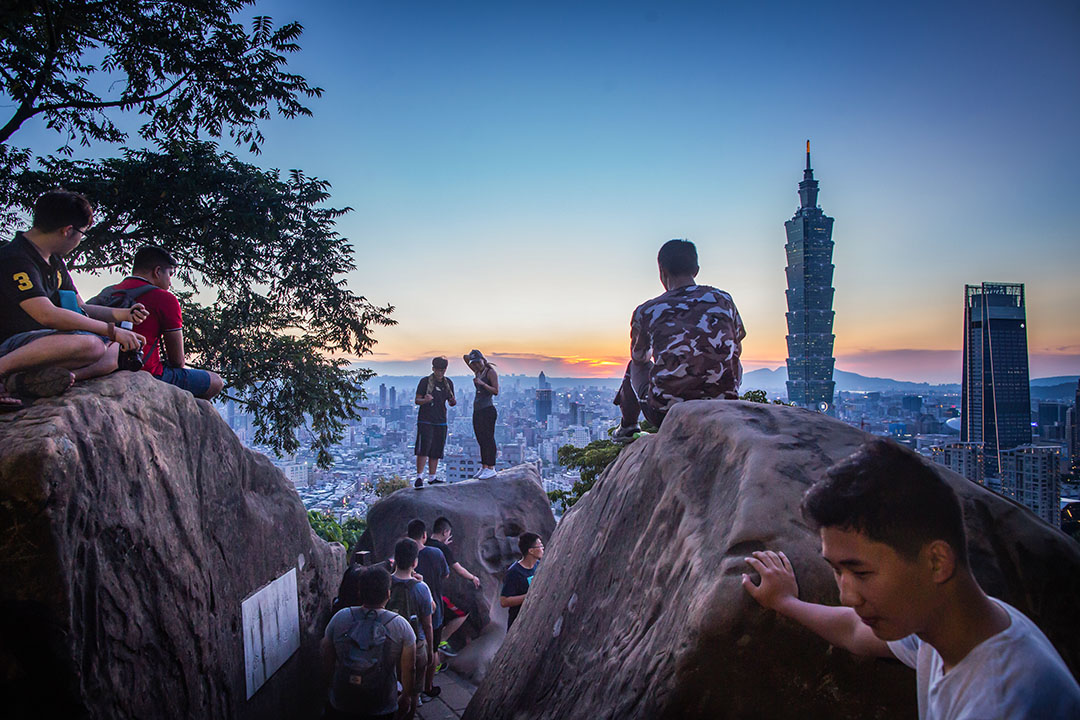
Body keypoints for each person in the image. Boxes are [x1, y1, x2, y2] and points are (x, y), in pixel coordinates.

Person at [742, 439, 1080, 720]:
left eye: (860, 572)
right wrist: (785, 602)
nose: (847, 595)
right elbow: (855, 631)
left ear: (936, 561)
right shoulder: (953, 626)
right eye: (837, 570)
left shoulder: (1003, 703)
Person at [0, 190, 146, 410]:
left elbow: (81, 307)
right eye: (82, 233)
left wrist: (124, 316)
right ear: (68, 231)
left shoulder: (54, 260)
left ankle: (31, 381)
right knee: (93, 346)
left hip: (43, 344)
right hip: (12, 344)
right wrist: (111, 330)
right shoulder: (16, 259)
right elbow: (47, 315)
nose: (80, 239)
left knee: (116, 350)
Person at [613, 238, 745, 442]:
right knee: (733, 357)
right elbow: (737, 344)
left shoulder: (647, 311)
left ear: (661, 271)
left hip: (667, 413)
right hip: (724, 406)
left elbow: (640, 357)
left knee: (634, 366)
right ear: (696, 270)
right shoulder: (723, 300)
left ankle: (628, 428)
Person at [104, 245, 223, 399]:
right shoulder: (165, 299)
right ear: (157, 271)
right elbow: (177, 361)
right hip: (147, 373)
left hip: (106, 366)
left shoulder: (108, 293)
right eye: (170, 274)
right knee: (215, 381)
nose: (170, 282)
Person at [320, 566, 414, 720]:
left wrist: (328, 688)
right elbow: (410, 668)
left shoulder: (340, 618)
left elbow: (326, 659)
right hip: (382, 703)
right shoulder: (400, 625)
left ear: (359, 592)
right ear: (388, 594)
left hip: (343, 700)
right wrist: (406, 695)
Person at [389, 538, 437, 716]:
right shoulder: (421, 588)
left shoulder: (385, 583)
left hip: (389, 645)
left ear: (395, 558)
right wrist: (430, 651)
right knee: (414, 691)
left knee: (390, 685)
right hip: (416, 646)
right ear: (415, 562)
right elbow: (428, 623)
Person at [427, 516, 482, 655]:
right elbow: (458, 569)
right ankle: (442, 641)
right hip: (436, 595)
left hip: (421, 592)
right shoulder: (442, 549)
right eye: (449, 534)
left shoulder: (424, 542)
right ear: (445, 532)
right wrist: (473, 577)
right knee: (463, 611)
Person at [413, 356, 455, 488]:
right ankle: (419, 477)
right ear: (433, 369)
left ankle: (432, 477)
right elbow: (417, 400)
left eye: (442, 370)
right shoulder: (425, 382)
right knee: (423, 448)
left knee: (436, 449)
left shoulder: (448, 383)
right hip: (425, 419)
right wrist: (425, 400)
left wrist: (453, 401)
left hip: (441, 419)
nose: (440, 373)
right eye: (438, 370)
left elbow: (451, 401)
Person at [463, 349, 498, 478]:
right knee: (481, 439)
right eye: (474, 363)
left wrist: (482, 383)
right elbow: (465, 357)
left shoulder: (490, 372)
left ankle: (491, 466)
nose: (476, 365)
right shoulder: (477, 371)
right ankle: (484, 467)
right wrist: (473, 357)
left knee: (488, 439)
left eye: (478, 362)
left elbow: (496, 390)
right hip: (477, 410)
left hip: (487, 410)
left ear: (483, 360)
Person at [500, 532, 543, 632]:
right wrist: (529, 596)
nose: (543, 548)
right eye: (540, 545)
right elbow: (504, 601)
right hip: (518, 624)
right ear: (531, 551)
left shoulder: (538, 565)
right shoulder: (514, 572)